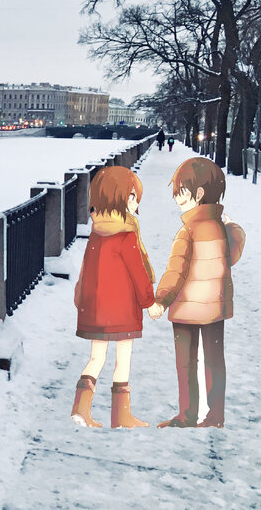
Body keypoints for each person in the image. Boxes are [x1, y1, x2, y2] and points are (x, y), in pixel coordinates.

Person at [151, 157, 246, 428]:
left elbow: (176, 270)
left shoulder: (188, 231)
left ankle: (188, 414)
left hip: (185, 309)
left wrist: (161, 299)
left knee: (186, 365)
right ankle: (216, 415)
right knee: (215, 362)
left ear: (199, 194)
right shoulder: (221, 229)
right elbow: (233, 255)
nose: (177, 198)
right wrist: (234, 227)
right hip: (215, 307)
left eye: (181, 192)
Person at [70, 166, 157, 428]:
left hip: (96, 308)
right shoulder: (127, 235)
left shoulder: (97, 232)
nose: (136, 202)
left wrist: (82, 302)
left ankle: (81, 409)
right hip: (122, 310)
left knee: (96, 358)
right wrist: (149, 302)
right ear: (117, 197)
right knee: (123, 359)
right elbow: (138, 274)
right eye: (131, 196)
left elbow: (87, 271)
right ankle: (121, 415)